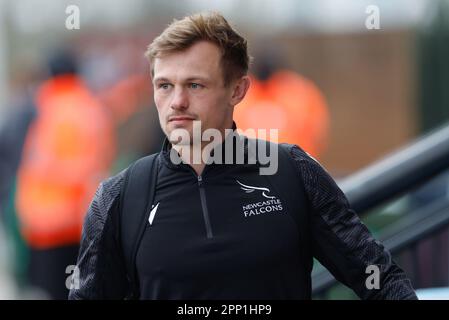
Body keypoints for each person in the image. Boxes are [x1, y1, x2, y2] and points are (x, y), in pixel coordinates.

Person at [69, 12, 417, 300]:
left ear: (238, 89)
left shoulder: (293, 173)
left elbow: (380, 278)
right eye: (165, 86)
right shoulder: (120, 197)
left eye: (194, 85)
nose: (177, 101)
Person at [15, 50, 115, 299]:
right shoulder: (93, 108)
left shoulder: (48, 108)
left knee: (55, 290)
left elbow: (41, 165)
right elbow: (100, 160)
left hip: (49, 223)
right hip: (84, 218)